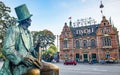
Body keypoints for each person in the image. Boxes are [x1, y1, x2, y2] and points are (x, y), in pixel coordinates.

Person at [0, 4, 42, 75]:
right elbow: (6, 49)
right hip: (17, 65)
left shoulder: (29, 33)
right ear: (25, 20)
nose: (31, 20)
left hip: (30, 62)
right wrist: (21, 59)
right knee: (35, 72)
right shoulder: (13, 29)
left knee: (52, 68)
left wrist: (37, 48)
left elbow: (31, 50)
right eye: (29, 18)